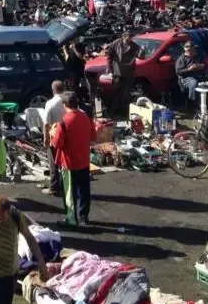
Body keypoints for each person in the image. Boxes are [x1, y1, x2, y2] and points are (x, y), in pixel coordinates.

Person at [51, 92, 94, 226]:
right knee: (83, 190)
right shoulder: (85, 117)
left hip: (69, 163)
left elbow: (57, 144)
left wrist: (52, 134)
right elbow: (93, 135)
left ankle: (71, 218)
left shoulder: (63, 123)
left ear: (64, 105)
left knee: (70, 192)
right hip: (84, 160)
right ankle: (83, 218)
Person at [104, 31, 140, 115]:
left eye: (131, 38)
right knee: (116, 91)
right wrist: (108, 67)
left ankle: (122, 111)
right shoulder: (116, 43)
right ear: (124, 37)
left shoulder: (134, 46)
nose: (130, 39)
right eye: (128, 38)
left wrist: (141, 51)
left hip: (128, 72)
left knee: (126, 92)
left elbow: (140, 55)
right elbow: (109, 55)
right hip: (117, 71)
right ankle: (113, 110)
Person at [42, 81, 66, 197]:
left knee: (54, 163)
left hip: (55, 136)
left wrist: (45, 138)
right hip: (68, 136)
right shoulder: (69, 101)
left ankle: (54, 187)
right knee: (65, 162)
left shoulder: (50, 103)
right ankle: (66, 185)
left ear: (53, 90)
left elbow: (46, 123)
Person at [174, 42, 207, 107]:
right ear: (189, 50)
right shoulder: (181, 59)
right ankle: (192, 103)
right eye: (193, 49)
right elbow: (178, 71)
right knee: (193, 82)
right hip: (186, 78)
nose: (195, 50)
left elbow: (205, 65)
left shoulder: (196, 57)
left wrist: (202, 66)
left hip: (198, 75)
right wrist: (189, 69)